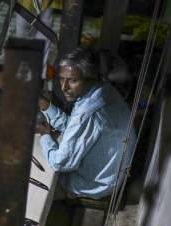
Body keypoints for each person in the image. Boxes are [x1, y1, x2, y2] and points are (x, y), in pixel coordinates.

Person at [36, 47, 136, 200]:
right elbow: (74, 126)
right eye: (62, 79)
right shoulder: (104, 91)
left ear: (88, 78)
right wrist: (45, 106)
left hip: (95, 185)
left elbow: (60, 163)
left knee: (31, 180)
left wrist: (45, 136)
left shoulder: (89, 112)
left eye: (72, 80)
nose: (64, 87)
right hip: (110, 176)